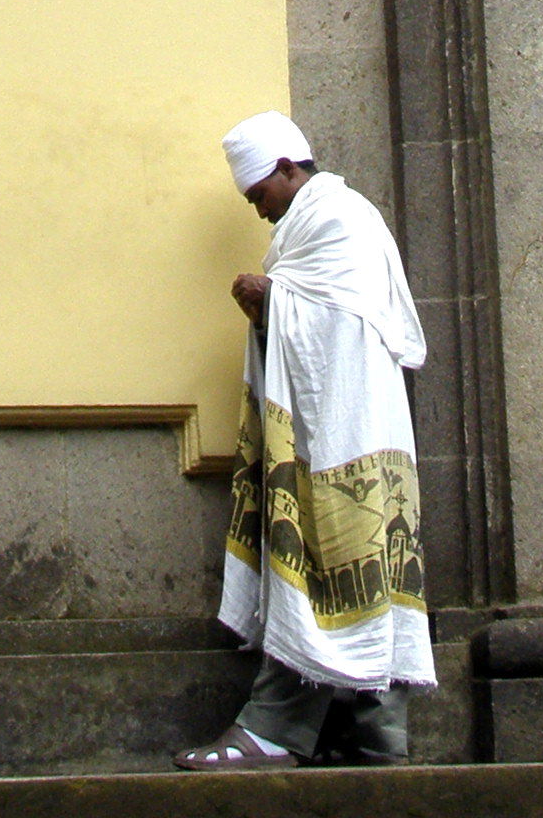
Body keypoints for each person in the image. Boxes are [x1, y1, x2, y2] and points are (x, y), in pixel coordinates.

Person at [174, 112, 434, 771]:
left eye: (259, 194)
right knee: (362, 571)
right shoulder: (321, 226)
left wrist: (272, 299)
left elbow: (340, 328)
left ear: (289, 169)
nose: (258, 213)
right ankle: (376, 737)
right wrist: (275, 308)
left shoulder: (337, 220)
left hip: (347, 437)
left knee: (324, 564)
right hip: (354, 432)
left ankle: (275, 731)